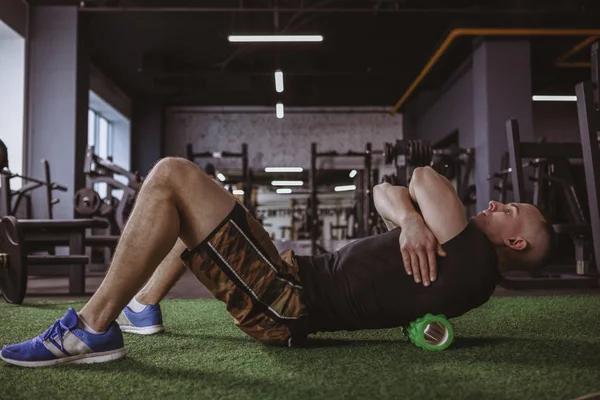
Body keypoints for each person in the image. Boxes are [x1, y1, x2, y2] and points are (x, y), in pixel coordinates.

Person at [1, 159, 554, 367]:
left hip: (288, 303)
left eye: (512, 212)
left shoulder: (474, 258)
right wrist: (409, 220)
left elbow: (420, 177)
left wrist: (409, 214)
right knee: (215, 207)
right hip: (293, 280)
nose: (497, 204)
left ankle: (92, 328)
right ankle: (142, 307)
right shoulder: (449, 245)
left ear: (516, 246)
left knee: (171, 177)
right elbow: (388, 188)